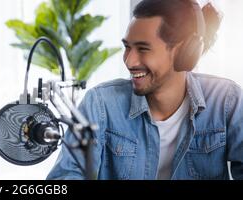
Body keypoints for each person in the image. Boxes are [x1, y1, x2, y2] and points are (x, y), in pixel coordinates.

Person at [47, 0, 243, 180]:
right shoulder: (100, 104)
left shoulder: (226, 101)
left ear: (184, 52)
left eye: (143, 49)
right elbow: (65, 178)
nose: (129, 61)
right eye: (127, 47)